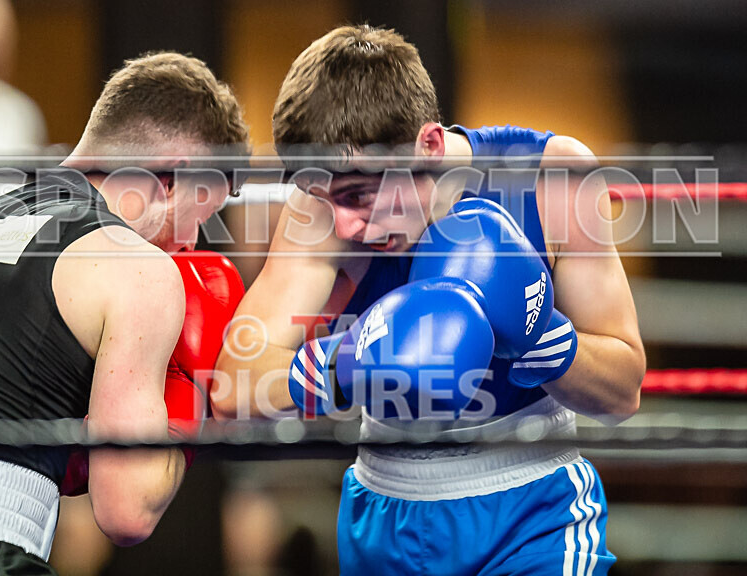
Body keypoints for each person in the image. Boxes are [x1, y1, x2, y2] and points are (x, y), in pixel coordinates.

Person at [214, 25, 645, 575]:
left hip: (530, 513)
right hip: (385, 513)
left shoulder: (549, 177)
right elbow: (235, 383)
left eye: (359, 195)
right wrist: (346, 361)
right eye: (326, 197)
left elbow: (623, 389)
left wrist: (540, 336)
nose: (345, 221)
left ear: (431, 146)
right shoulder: (319, 214)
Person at [0, 51, 248, 574]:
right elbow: (126, 511)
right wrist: (193, 399)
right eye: (203, 212)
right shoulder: (135, 267)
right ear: (172, 180)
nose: (192, 241)